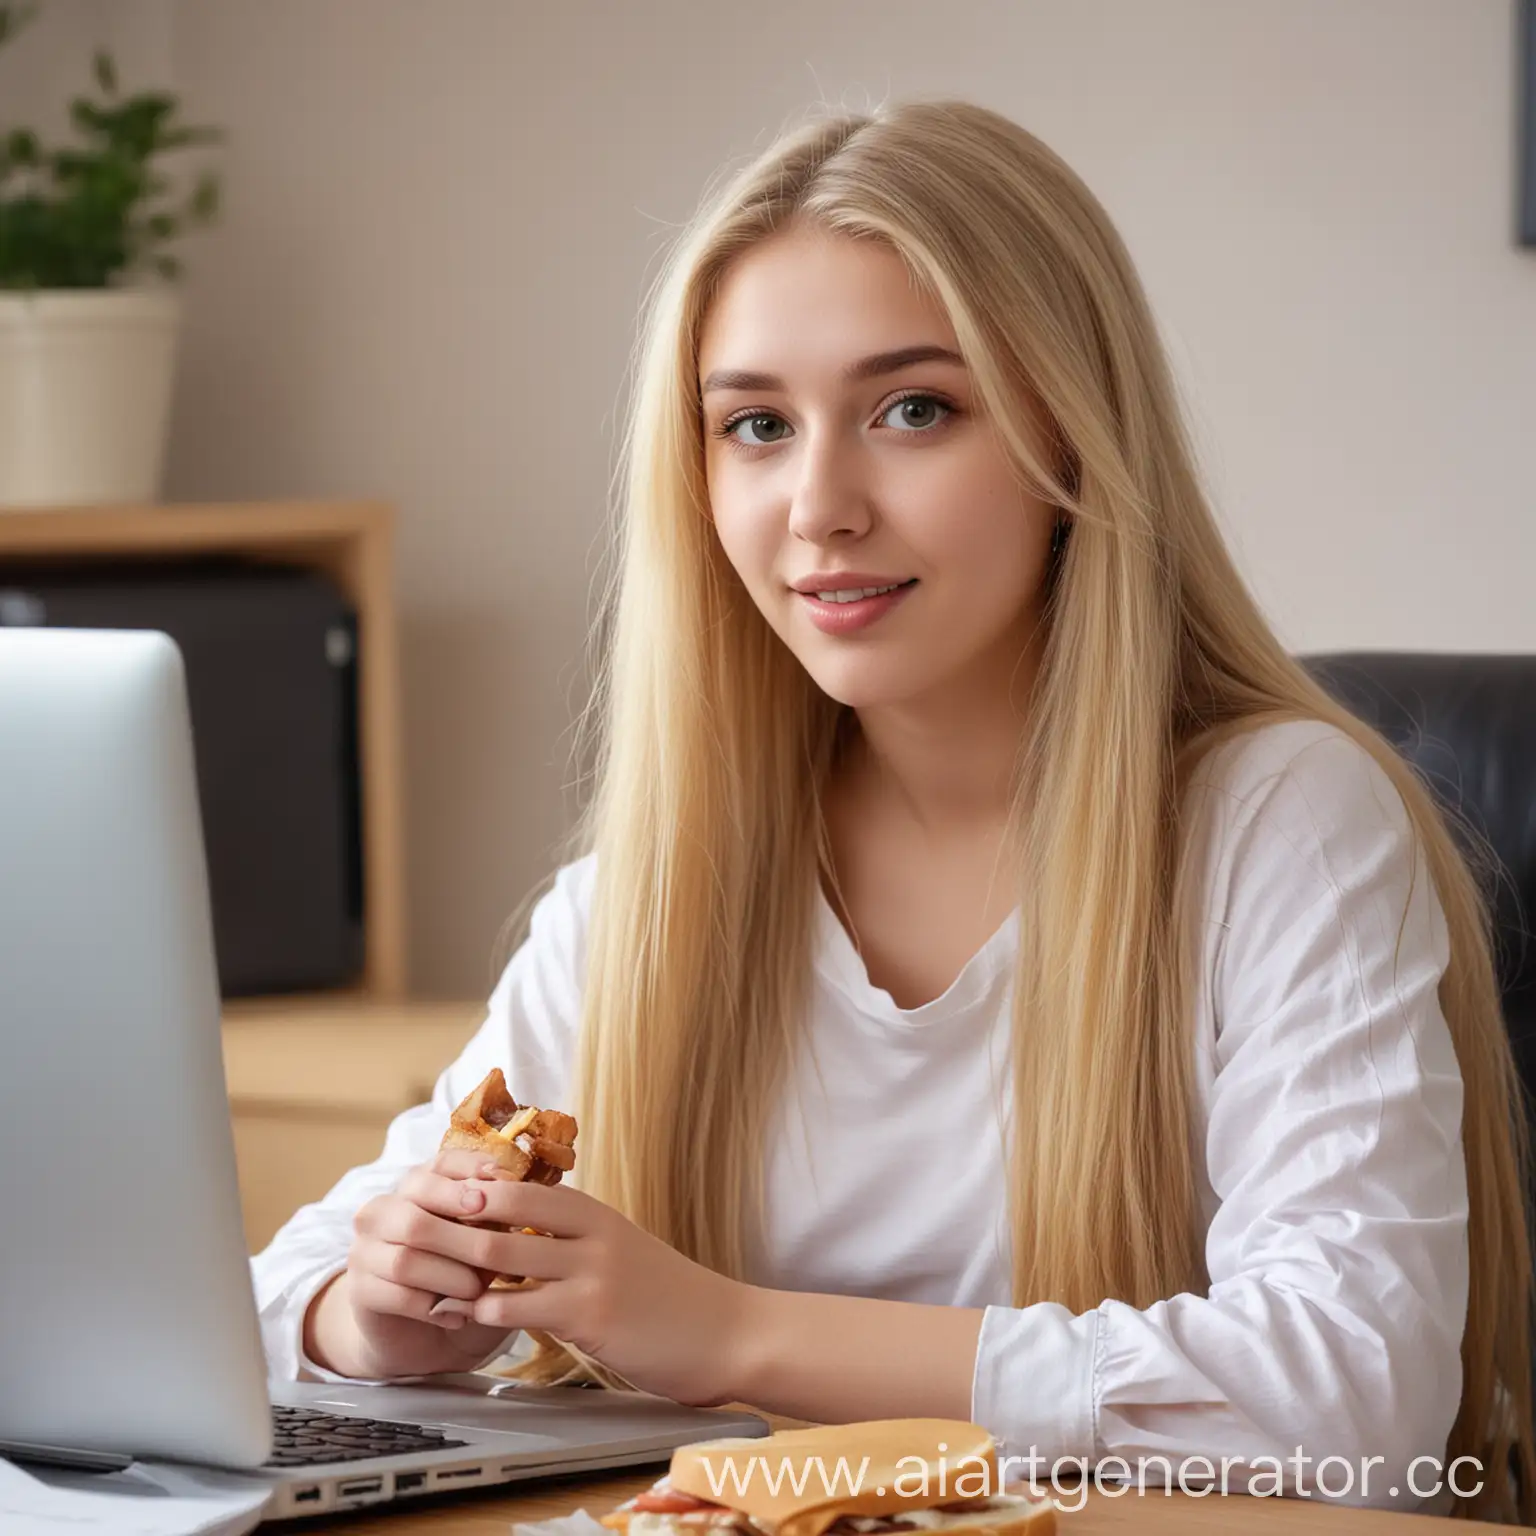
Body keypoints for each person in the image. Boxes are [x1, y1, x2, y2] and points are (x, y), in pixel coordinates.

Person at [251, 100, 1533, 1520]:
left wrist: (732, 1336)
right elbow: (265, 1303)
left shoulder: (1281, 820)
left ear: (1072, 435)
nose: (819, 505)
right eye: (753, 426)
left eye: (913, 409)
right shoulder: (658, 888)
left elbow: (1362, 1386)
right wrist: (373, 1316)